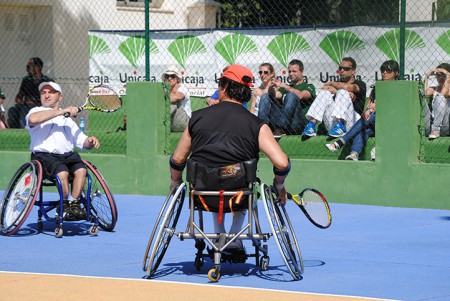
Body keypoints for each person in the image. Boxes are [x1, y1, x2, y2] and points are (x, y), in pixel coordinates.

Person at [169, 64, 291, 254]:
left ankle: (219, 235)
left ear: (224, 88)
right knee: (238, 177)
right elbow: (282, 163)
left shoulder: (197, 118)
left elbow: (177, 159)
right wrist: (280, 186)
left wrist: (175, 182)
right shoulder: (256, 124)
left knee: (215, 177)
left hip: (202, 194)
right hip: (240, 195)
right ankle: (234, 237)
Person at [26, 81, 100, 220]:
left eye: (51, 92)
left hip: (67, 156)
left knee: (81, 170)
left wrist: (90, 141)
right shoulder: (35, 111)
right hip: (44, 157)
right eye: (43, 93)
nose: (46, 95)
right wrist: (61, 111)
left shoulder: (68, 121)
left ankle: (72, 204)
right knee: (62, 171)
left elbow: (82, 142)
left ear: (59, 97)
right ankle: (64, 204)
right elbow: (33, 120)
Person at [325, 60, 399, 161]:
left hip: (391, 123)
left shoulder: (400, 88)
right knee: (363, 129)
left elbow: (396, 108)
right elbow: (369, 106)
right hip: (375, 124)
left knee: (373, 115)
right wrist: (367, 111)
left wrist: (379, 108)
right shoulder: (378, 87)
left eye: (388, 70)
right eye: (383, 70)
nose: (384, 72)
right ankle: (354, 154)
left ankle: (340, 142)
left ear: (396, 73)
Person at [302, 57, 367, 138]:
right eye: (340, 68)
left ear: (353, 71)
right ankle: (311, 125)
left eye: (346, 68)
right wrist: (337, 90)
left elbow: (347, 88)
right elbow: (324, 88)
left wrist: (334, 87)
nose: (342, 70)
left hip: (352, 123)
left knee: (343, 92)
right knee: (324, 93)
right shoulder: (337, 84)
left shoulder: (360, 84)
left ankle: (341, 126)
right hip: (333, 125)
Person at [258, 59, 316, 136]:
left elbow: (300, 95)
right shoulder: (285, 87)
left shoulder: (309, 86)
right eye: (289, 71)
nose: (291, 74)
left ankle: (280, 127)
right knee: (265, 96)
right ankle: (261, 129)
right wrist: (271, 87)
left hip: (297, 123)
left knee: (291, 95)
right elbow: (276, 95)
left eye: (294, 71)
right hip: (283, 121)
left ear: (302, 72)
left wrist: (284, 86)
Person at [10, 57, 53, 128]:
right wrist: (19, 101)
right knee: (12, 110)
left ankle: (25, 130)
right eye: (27, 66)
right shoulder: (26, 80)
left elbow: (52, 99)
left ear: (37, 67)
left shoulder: (47, 80)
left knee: (24, 111)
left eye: (29, 66)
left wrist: (35, 103)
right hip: (26, 105)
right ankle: (15, 132)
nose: (27, 68)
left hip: (41, 106)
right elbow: (20, 95)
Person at [424, 63, 450, 139]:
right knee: (422, 101)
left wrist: (448, 77)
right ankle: (433, 129)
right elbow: (425, 94)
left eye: (443, 75)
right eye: (438, 75)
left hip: (446, 125)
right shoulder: (434, 88)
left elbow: (442, 94)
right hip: (431, 126)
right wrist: (427, 76)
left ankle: (436, 129)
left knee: (440, 97)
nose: (440, 78)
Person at [162, 66, 192, 132]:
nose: (169, 78)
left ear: (178, 79)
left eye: (172, 76)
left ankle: (160, 122)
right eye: (167, 76)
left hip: (185, 121)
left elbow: (176, 98)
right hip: (171, 122)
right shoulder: (165, 89)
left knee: (173, 103)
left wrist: (163, 98)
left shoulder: (182, 88)